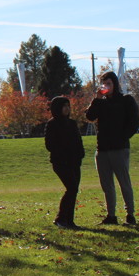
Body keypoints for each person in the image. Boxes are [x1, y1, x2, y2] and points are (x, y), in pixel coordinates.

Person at [86, 71, 139, 225]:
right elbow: (90, 116)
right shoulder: (100, 103)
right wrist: (96, 100)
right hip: (102, 149)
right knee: (107, 185)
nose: (106, 87)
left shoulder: (126, 100)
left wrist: (122, 138)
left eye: (109, 84)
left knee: (124, 182)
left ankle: (130, 214)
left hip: (119, 148)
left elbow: (134, 123)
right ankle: (111, 215)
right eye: (104, 84)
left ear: (115, 84)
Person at [44, 96, 85, 229]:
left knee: (74, 190)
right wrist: (64, 152)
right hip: (60, 162)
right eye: (64, 106)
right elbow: (50, 144)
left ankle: (69, 220)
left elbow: (78, 141)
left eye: (68, 106)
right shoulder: (52, 124)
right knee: (71, 188)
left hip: (74, 161)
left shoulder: (72, 123)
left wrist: (80, 154)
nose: (67, 109)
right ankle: (60, 218)